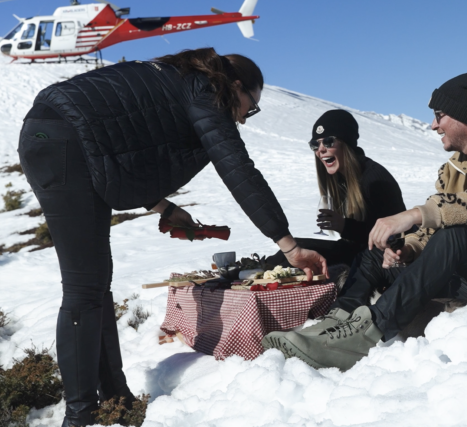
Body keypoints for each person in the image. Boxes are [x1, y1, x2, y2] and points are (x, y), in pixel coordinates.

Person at [17, 48, 327, 426]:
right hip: (62, 141)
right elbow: (238, 169)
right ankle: (81, 417)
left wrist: (164, 208)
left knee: (96, 282)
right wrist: (289, 246)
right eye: (251, 106)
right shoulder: (206, 90)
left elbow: (123, 143)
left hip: (60, 137)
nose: (245, 117)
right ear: (236, 86)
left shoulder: (177, 80)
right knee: (84, 287)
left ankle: (115, 396)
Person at [263, 73, 467, 371]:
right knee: (378, 250)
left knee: (456, 238)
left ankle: (365, 334)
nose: (433, 125)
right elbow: (432, 231)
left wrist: (414, 214)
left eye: (439, 115)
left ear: (463, 115)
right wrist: (409, 247)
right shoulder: (453, 170)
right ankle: (336, 322)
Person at [268, 109, 406, 267]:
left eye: (328, 142)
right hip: (354, 251)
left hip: (378, 259)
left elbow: (394, 237)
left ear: (345, 143)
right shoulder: (340, 177)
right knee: (290, 251)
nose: (320, 149)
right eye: (315, 144)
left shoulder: (374, 179)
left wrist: (345, 226)